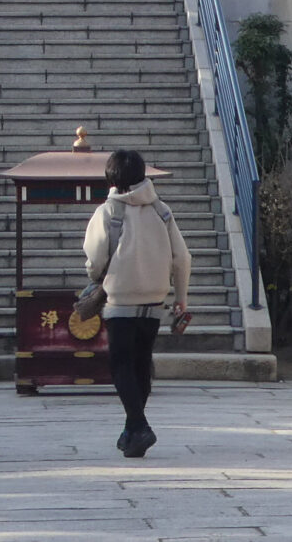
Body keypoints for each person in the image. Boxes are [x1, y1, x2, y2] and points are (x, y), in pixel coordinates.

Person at [83, 148, 191, 458]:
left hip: (120, 303)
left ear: (112, 178)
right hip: (154, 302)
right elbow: (182, 258)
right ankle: (132, 433)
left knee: (120, 366)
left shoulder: (108, 212)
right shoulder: (162, 211)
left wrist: (95, 274)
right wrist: (180, 299)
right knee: (142, 365)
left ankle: (140, 426)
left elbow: (95, 260)